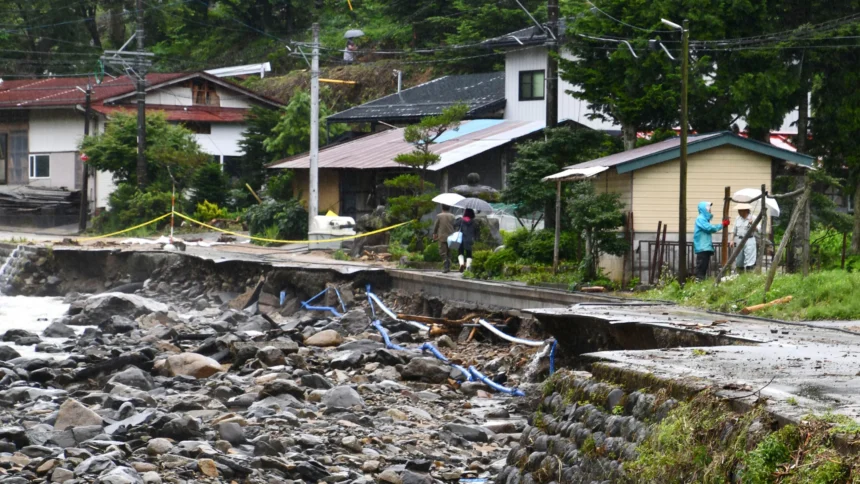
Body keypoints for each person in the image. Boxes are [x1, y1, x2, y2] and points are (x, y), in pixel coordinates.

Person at [694, 201, 730, 281]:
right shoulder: (700, 218)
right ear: (703, 209)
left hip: (705, 247)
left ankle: (700, 282)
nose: (710, 209)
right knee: (701, 268)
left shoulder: (705, 219)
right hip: (702, 247)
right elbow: (709, 228)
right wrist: (722, 225)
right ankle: (698, 283)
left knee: (704, 267)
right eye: (708, 207)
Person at [731, 203, 757, 272]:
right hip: (739, 239)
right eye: (738, 210)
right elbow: (733, 230)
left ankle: (749, 275)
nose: (739, 212)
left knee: (749, 260)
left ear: (746, 210)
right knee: (739, 260)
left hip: (749, 240)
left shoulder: (753, 217)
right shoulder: (737, 218)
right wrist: (731, 240)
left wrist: (752, 224)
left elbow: (758, 230)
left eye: (741, 210)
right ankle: (740, 275)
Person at [431, 205, 456, 273]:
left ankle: (446, 266)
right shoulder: (452, 216)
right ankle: (449, 266)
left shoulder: (439, 216)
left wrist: (434, 233)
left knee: (442, 252)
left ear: (442, 208)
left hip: (442, 236)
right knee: (449, 252)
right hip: (451, 236)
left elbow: (436, 225)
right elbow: (455, 225)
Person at [456, 208, 477, 272]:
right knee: (469, 254)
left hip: (461, 239)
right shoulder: (474, 222)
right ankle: (468, 267)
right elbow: (476, 231)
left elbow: (455, 225)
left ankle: (461, 264)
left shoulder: (461, 220)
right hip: (470, 239)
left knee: (460, 252)